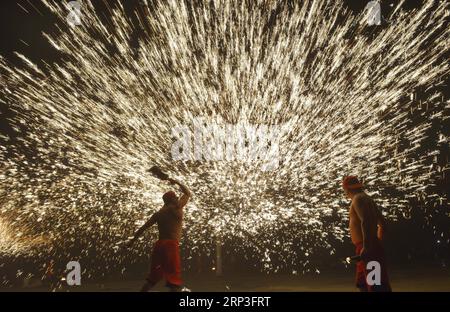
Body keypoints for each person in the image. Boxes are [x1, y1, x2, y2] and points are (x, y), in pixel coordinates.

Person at [125, 176, 191, 292]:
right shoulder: (176, 207)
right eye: (176, 197)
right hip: (170, 246)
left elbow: (143, 228)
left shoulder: (159, 213)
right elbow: (187, 193)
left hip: (159, 246)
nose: (177, 198)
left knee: (152, 279)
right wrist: (175, 181)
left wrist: (132, 241)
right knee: (173, 281)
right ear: (172, 200)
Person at [342, 176, 392, 292]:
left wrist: (367, 246)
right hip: (369, 247)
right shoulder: (367, 198)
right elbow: (383, 224)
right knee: (363, 283)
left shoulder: (357, 199)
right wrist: (376, 242)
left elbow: (366, 221)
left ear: (347, 189)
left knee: (376, 285)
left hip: (367, 247)